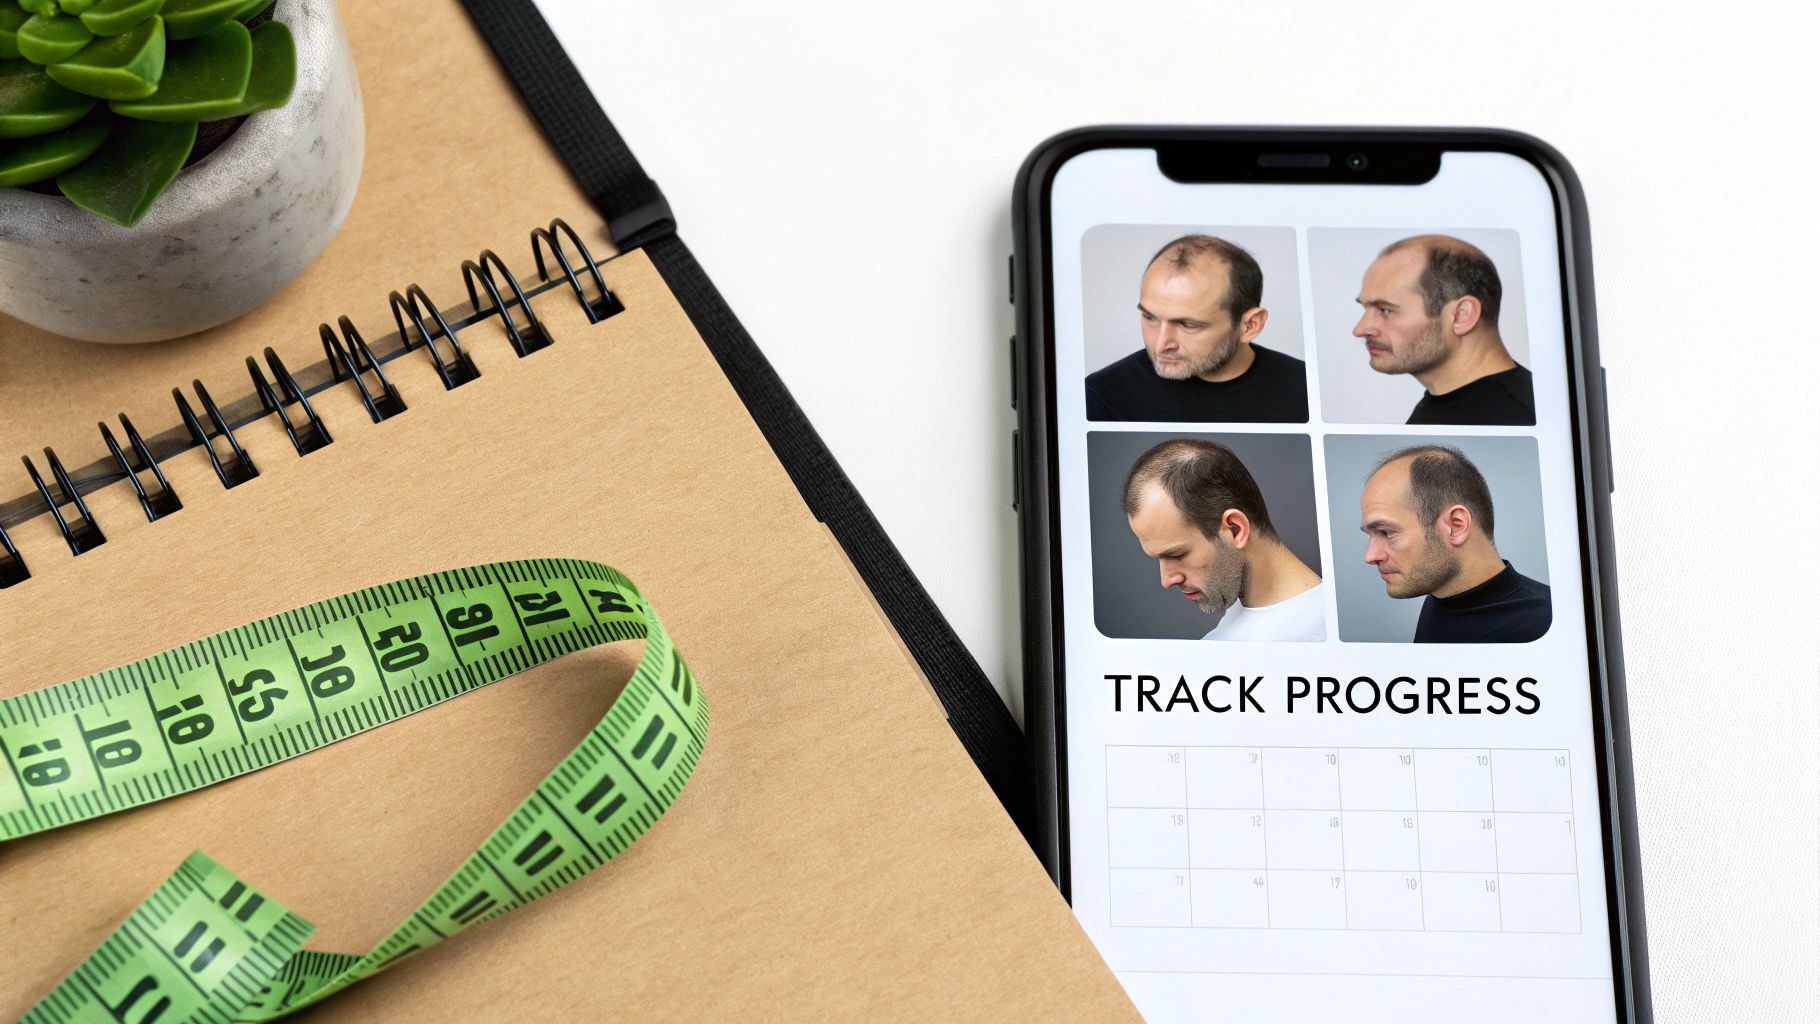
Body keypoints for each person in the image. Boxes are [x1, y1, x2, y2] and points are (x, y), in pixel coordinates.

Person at [1087, 234, 1308, 423]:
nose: (1161, 344)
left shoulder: (1305, 390)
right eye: (1150, 317)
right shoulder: (1101, 398)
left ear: (1249, 325)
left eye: (1187, 325)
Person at [1124, 439, 1324, 641]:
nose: (1166, 580)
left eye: (1176, 554)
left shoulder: (1309, 639)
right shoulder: (1254, 612)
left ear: (1236, 530)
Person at [1358, 445, 1551, 642]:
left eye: (1386, 532)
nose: (1370, 556)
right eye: (1370, 534)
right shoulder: (1438, 602)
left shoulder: (1548, 625)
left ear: (1456, 526)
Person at [1352, 235, 1535, 425]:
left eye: (1385, 310)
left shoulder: (1523, 418)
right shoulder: (1444, 409)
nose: (1360, 329)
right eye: (1365, 308)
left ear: (1462, 315)